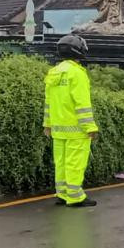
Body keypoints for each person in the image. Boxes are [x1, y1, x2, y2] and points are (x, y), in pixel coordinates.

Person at [43, 35, 98, 208]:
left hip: (58, 129)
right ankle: (75, 197)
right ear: (79, 50)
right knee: (74, 164)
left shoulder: (54, 72)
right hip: (77, 130)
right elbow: (82, 104)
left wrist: (47, 124)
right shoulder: (77, 73)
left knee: (61, 163)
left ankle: (62, 193)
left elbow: (48, 102)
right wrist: (90, 127)